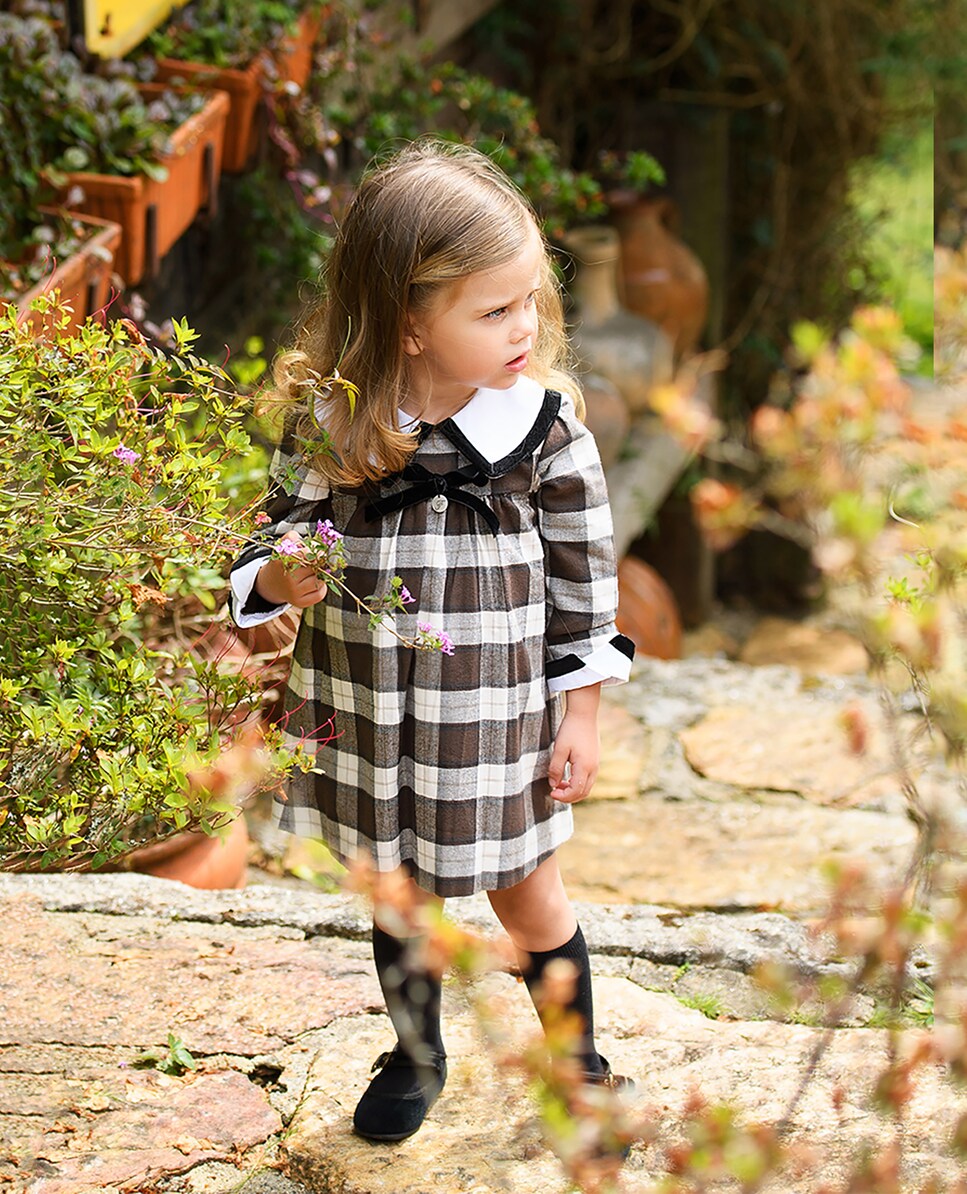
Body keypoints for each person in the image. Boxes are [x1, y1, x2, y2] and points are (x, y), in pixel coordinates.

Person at [229, 139, 635, 1144]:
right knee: (396, 893)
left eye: (528, 303)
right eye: (493, 312)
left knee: (528, 893)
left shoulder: (543, 434)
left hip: (496, 714)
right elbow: (270, 545)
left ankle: (574, 1060)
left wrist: (579, 713)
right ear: (409, 323)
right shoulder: (334, 427)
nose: (523, 329)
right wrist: (282, 575)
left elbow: (587, 583)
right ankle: (415, 1055)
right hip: (369, 715)